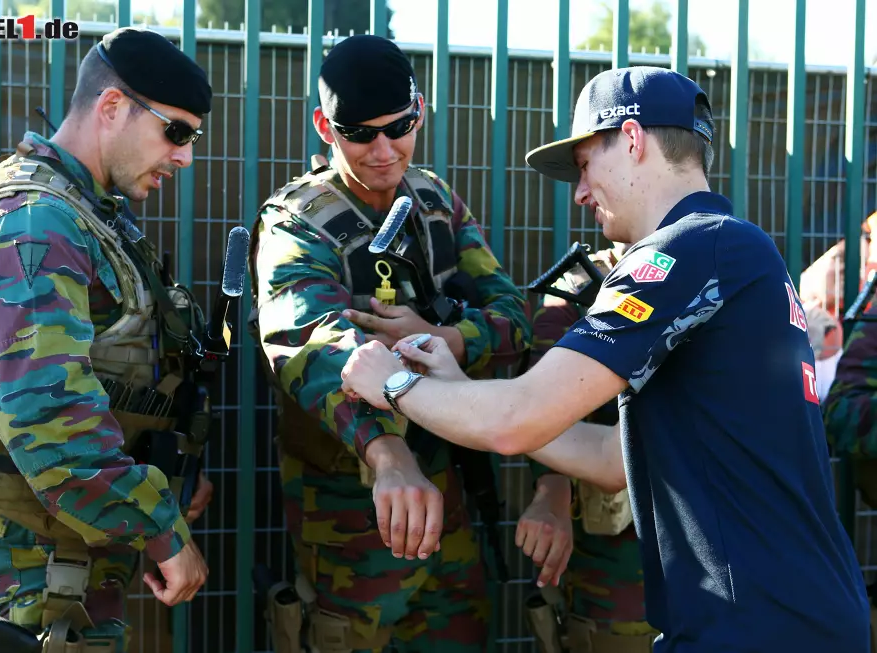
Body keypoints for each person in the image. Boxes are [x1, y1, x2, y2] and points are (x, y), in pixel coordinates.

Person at [341, 65, 870, 652]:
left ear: (635, 139)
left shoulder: (685, 250)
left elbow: (516, 419)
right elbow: (613, 457)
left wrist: (388, 381)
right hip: (785, 616)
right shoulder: (731, 248)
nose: (581, 192)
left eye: (586, 164)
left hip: (757, 627)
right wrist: (456, 382)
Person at [248, 34, 567, 652]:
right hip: (351, 506)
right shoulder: (296, 221)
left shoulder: (434, 202)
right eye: (360, 133)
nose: (383, 149)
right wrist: (386, 453)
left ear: (420, 110)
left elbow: (513, 316)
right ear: (324, 126)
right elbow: (309, 345)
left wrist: (442, 336)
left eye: (400, 126)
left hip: (448, 494)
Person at [0, 27, 215, 652]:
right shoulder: (37, 221)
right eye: (177, 132)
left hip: (75, 546)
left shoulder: (84, 212)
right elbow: (48, 415)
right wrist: (160, 529)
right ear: (112, 107)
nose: (185, 156)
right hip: (45, 567)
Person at [526, 241, 659, 653]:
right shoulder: (579, 282)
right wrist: (552, 490)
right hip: (615, 535)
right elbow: (538, 399)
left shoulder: (714, 269)